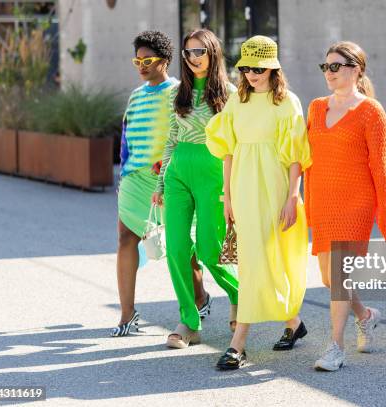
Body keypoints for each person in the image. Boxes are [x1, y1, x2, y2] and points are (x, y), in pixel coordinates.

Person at [205, 36, 312, 369]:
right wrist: (228, 196)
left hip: (276, 187)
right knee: (253, 259)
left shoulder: (288, 102)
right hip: (243, 186)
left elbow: (296, 156)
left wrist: (293, 198)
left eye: (259, 67)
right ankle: (289, 325)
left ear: (273, 68)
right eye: (247, 67)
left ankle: (241, 341)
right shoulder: (237, 102)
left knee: (270, 257)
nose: (252, 73)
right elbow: (227, 151)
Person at [304, 41, 386, 371]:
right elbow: (307, 160)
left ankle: (335, 347)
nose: (329, 73)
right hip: (323, 202)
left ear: (356, 69)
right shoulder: (317, 107)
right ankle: (366, 316)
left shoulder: (372, 112)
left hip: (355, 204)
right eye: (326, 67)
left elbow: (380, 167)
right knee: (331, 278)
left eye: (336, 66)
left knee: (338, 272)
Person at [112, 31, 206, 337]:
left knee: (181, 246)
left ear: (165, 61)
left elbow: (188, 133)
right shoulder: (136, 95)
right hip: (134, 180)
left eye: (148, 60)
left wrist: (169, 169)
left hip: (168, 178)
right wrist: (124, 172)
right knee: (126, 236)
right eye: (137, 60)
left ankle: (200, 296)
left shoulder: (180, 92)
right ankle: (127, 314)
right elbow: (126, 138)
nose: (141, 65)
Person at [152, 29, 239, 348]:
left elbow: (236, 142)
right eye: (188, 53)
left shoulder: (229, 92)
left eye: (199, 51)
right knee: (175, 248)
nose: (192, 58)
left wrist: (233, 187)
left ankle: (238, 294)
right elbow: (171, 137)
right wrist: (161, 182)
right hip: (178, 176)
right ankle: (189, 321)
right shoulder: (180, 93)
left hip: (213, 172)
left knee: (209, 249)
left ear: (213, 52)